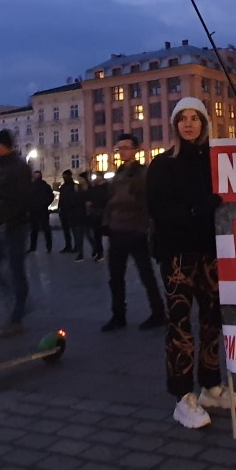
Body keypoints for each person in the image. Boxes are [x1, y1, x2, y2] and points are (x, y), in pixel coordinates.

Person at [147, 98, 236, 428]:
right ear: (175, 125)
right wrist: (198, 209)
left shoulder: (214, 163)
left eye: (195, 118)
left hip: (210, 252)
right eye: (183, 119)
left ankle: (211, 385)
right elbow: (161, 212)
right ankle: (182, 396)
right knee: (180, 324)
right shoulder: (162, 165)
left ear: (204, 123)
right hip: (177, 254)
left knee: (213, 318)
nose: (189, 124)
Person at [102, 133, 165, 332]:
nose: (122, 151)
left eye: (127, 147)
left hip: (136, 230)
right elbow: (110, 201)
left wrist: (146, 225)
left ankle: (158, 312)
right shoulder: (118, 173)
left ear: (136, 150)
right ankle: (118, 315)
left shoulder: (142, 174)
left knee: (146, 274)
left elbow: (145, 200)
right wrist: (107, 222)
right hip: (117, 230)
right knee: (115, 277)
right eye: (119, 148)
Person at [0, 129, 33, 339]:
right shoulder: (3, 166)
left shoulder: (18, 167)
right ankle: (18, 300)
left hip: (14, 226)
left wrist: (0, 208)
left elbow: (19, 199)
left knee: (16, 269)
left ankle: (17, 315)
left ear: (3, 145)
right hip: (2, 224)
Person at [83, 174, 109, 262]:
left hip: (103, 212)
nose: (96, 179)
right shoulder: (95, 187)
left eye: (97, 177)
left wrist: (92, 202)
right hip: (95, 213)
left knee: (101, 233)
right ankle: (99, 251)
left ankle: (100, 252)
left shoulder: (107, 187)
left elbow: (104, 199)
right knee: (97, 234)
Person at [28, 171, 55, 254]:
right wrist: (46, 204)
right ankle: (48, 246)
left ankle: (33, 247)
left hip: (36, 210)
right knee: (44, 229)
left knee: (35, 229)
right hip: (42, 209)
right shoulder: (45, 186)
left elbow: (28, 197)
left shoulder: (32, 186)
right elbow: (51, 196)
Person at [57, 171, 81, 254]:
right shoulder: (64, 187)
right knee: (66, 230)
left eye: (66, 176)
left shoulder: (74, 186)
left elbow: (77, 199)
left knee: (74, 230)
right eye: (64, 177)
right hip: (64, 211)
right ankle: (69, 246)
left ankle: (76, 246)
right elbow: (61, 198)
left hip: (72, 211)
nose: (64, 178)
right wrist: (59, 207)